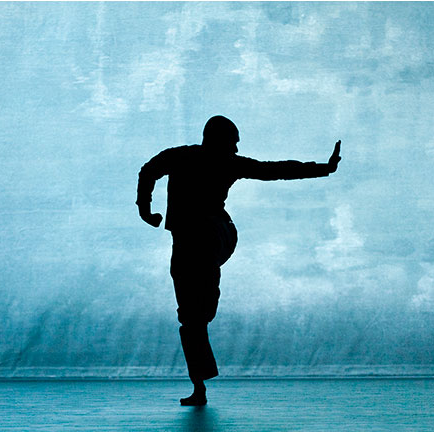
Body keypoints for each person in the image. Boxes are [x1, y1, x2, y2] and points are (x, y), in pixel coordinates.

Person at [136, 115, 341, 406]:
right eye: (232, 142)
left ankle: (200, 376)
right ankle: (199, 386)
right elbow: (148, 171)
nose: (234, 149)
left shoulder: (202, 159)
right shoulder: (195, 158)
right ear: (218, 139)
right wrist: (145, 209)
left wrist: (323, 169)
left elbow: (275, 170)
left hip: (213, 237)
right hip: (193, 241)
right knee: (193, 318)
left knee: (197, 313)